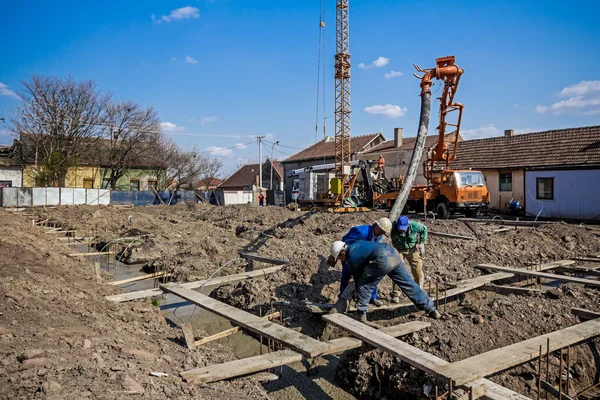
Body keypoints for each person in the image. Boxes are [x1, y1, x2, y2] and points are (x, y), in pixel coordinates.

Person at [329, 240, 440, 322]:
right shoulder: (357, 244)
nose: (340, 261)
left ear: (342, 253)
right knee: (408, 284)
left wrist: (356, 292)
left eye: (339, 258)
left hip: (383, 259)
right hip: (393, 254)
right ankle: (431, 309)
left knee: (364, 284)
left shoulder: (351, 258)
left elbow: (359, 279)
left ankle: (361, 313)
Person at [339, 218, 392, 307]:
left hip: (363, 258)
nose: (381, 234)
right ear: (376, 226)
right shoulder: (360, 232)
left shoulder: (377, 235)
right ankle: (342, 299)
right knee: (346, 276)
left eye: (383, 232)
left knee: (371, 276)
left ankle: (372, 297)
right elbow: (345, 242)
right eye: (381, 231)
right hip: (349, 257)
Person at [390, 216, 428, 302]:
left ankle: (419, 292)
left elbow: (424, 229)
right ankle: (396, 294)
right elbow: (383, 233)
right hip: (398, 250)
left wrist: (422, 243)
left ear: (408, 225)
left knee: (417, 269)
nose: (401, 231)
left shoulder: (415, 226)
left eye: (403, 229)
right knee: (397, 271)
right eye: (400, 229)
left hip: (412, 249)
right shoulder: (392, 226)